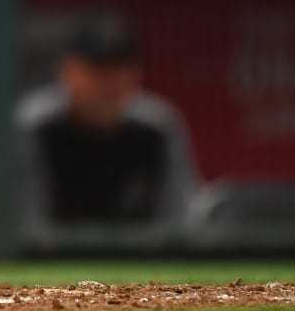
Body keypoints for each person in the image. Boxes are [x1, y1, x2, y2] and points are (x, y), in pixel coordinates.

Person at [14, 20, 197, 242]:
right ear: (68, 71)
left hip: (140, 260)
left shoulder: (157, 126)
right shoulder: (35, 124)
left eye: (119, 69)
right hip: (48, 259)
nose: (109, 82)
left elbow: (179, 218)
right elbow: (25, 222)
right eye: (97, 70)